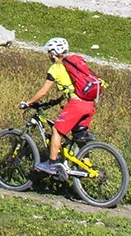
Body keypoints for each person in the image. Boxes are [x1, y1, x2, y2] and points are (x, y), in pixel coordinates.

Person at [19, 37, 100, 174]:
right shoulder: (71, 66)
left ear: (53, 53)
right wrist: (57, 101)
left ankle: (52, 164)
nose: (48, 55)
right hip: (89, 104)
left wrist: (28, 103)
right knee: (78, 135)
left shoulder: (55, 68)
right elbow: (71, 87)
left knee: (57, 130)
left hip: (77, 105)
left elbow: (43, 91)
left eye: (49, 52)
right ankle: (87, 164)